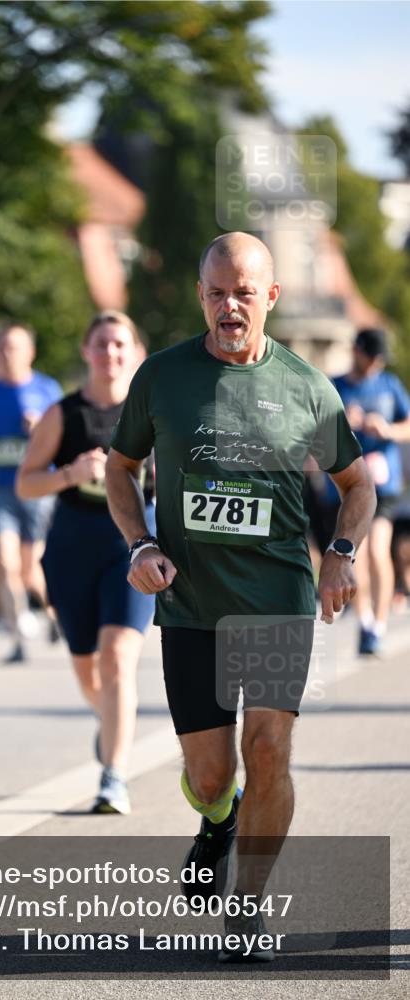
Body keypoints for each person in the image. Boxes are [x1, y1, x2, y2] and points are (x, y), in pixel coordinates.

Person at [105, 232, 375, 961]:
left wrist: (340, 557)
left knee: (269, 748)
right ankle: (216, 819)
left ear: (271, 298)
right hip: (189, 600)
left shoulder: (306, 387)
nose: (230, 306)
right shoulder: (162, 378)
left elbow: (358, 484)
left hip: (277, 596)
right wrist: (139, 543)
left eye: (244, 293)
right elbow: (119, 468)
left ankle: (248, 907)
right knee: (210, 772)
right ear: (201, 296)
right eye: (217, 292)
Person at [16, 311, 155, 814]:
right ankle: (111, 722)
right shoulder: (64, 414)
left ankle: (113, 775)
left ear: (135, 352)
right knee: (87, 668)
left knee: (118, 657)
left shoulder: (153, 410)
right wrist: (70, 474)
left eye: (120, 344)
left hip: (132, 545)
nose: (110, 353)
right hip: (72, 549)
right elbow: (25, 482)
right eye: (101, 344)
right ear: (86, 351)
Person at [0, 322, 62, 663]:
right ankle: (18, 639)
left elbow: (64, 437)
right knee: (6, 563)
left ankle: (54, 615)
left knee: (30, 569)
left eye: (15, 347)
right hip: (1, 487)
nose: (8, 354)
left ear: (30, 352)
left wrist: (40, 427)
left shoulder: (47, 389)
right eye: (4, 347)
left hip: (38, 486)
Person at [324, 329, 410, 654]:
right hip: (346, 487)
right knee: (354, 555)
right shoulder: (335, 386)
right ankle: (364, 623)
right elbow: (316, 433)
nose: (375, 364)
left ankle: (380, 623)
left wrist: (387, 428)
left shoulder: (390, 385)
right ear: (356, 352)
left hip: (384, 483)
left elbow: (408, 425)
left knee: (378, 551)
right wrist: (344, 422)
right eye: (370, 357)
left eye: (380, 360)